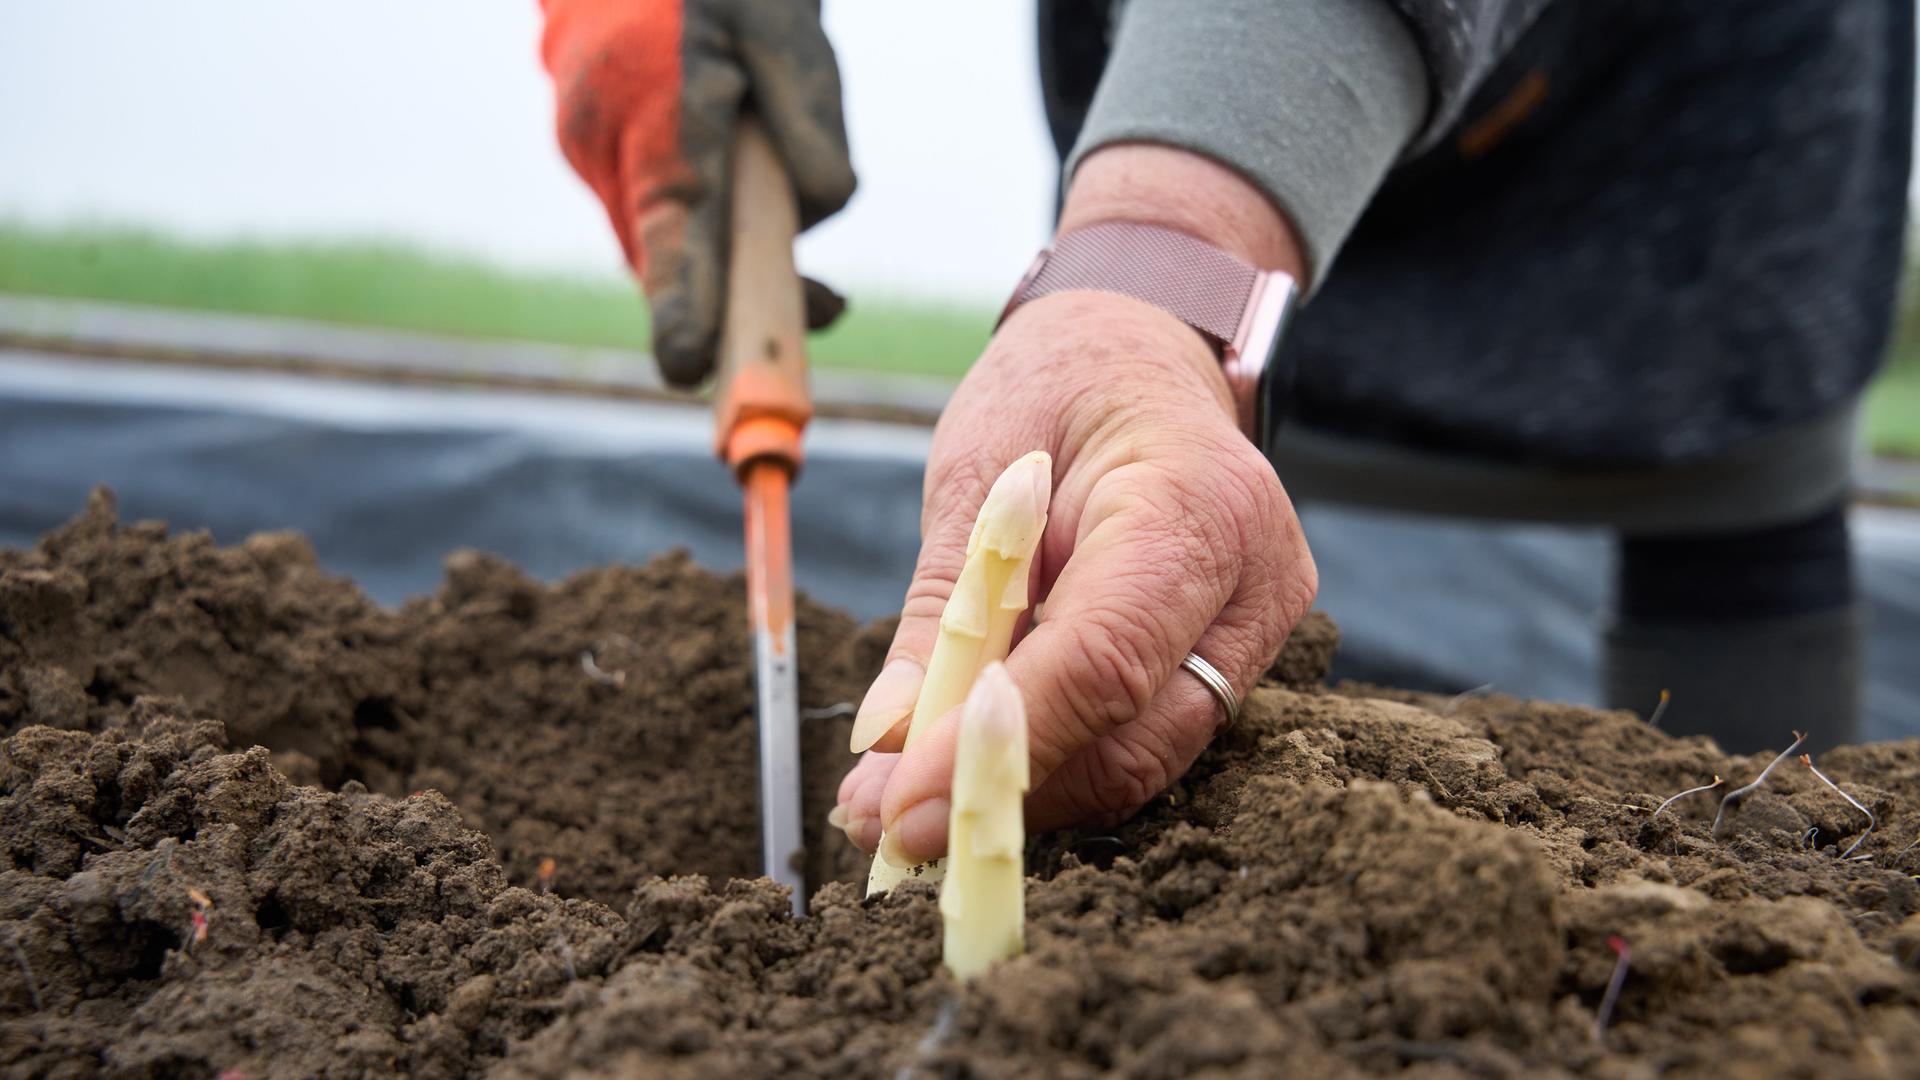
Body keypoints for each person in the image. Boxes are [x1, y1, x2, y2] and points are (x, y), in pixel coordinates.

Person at [540, 0, 1913, 866]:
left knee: (1758, 785)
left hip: (1676, 128)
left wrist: (1161, 261)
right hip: (1193, 72)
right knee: (1154, 509)